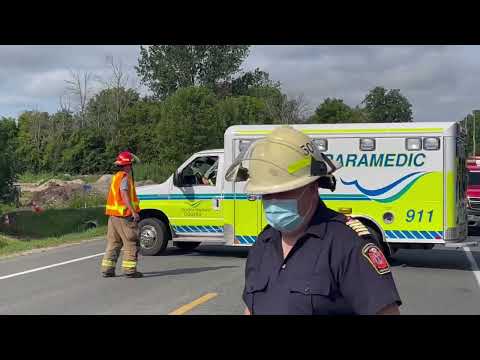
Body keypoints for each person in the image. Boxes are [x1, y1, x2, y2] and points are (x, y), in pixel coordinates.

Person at [225, 126, 402, 315]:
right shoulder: (263, 243)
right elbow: (250, 309)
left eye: (284, 191)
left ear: (312, 187)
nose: (274, 199)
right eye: (266, 193)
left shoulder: (348, 244)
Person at [101, 151, 143, 278]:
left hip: (113, 216)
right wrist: (133, 211)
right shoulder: (124, 177)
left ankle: (107, 269)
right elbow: (124, 194)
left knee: (114, 242)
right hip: (124, 215)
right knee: (131, 241)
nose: (131, 167)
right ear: (127, 165)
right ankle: (130, 270)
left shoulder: (116, 176)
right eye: (130, 164)